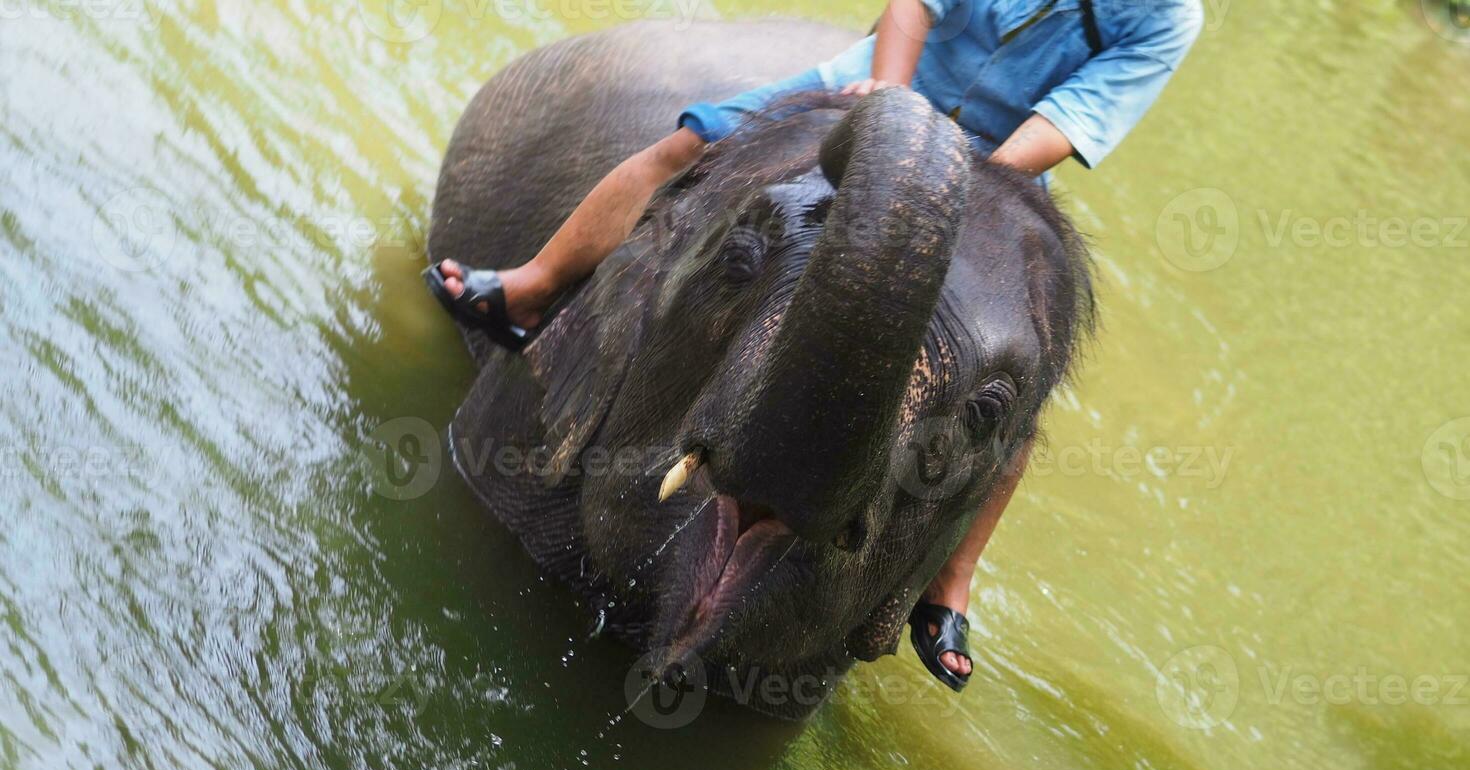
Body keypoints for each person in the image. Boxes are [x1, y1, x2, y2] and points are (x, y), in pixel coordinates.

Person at [425, 0, 1203, 693]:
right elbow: (912, 6)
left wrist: (943, 200)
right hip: (881, 89)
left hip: (998, 163)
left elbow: (1069, 122)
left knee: (1017, 391)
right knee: (685, 153)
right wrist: (892, 110)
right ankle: (532, 287)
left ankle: (947, 583)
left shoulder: (1168, 16)